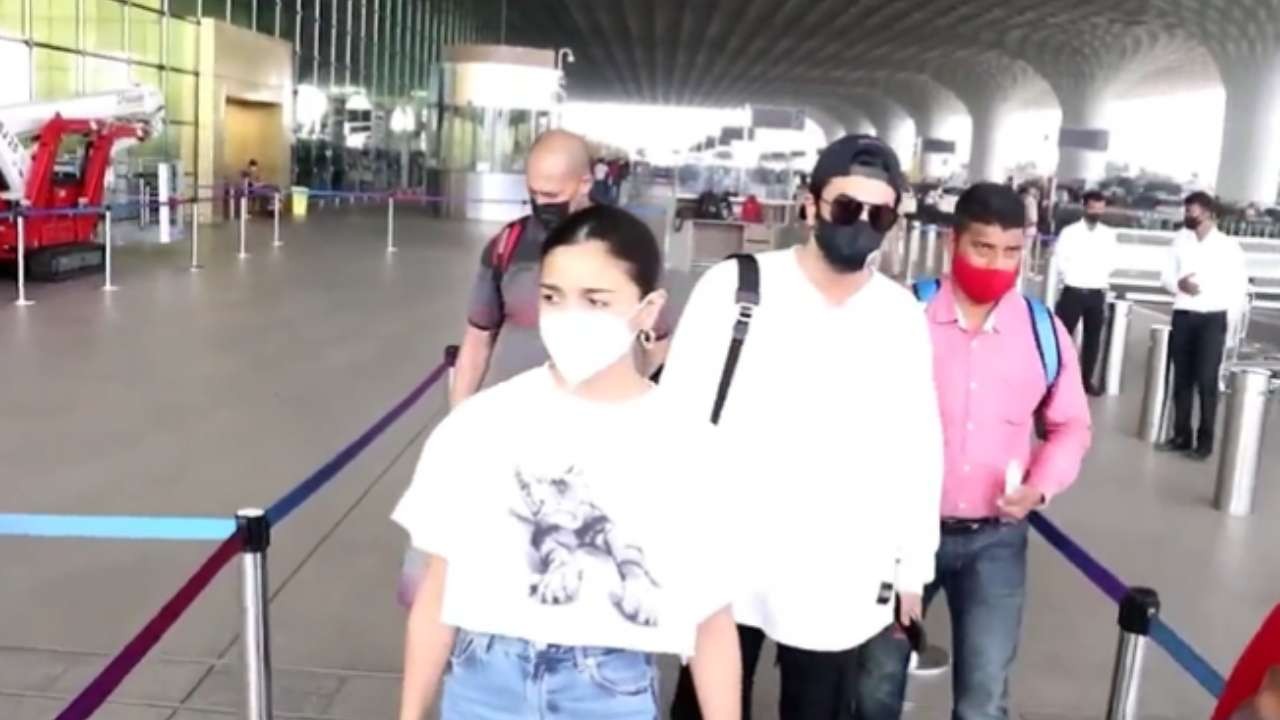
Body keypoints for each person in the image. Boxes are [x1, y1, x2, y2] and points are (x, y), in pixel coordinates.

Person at [394, 206, 742, 720]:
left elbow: (712, 622)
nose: (570, 316)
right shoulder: (482, 424)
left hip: (607, 691)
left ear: (649, 309)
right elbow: (438, 590)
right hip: (483, 685)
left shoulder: (688, 443)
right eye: (554, 297)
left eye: (596, 301)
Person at [662, 134, 943, 719]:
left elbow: (916, 449)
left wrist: (913, 569)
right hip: (728, 560)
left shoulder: (899, 317)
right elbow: (677, 423)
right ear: (812, 204)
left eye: (879, 214)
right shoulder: (738, 290)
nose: (861, 223)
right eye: (846, 208)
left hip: (838, 573)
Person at [866, 182, 1092, 720]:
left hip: (995, 540)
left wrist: (1039, 487)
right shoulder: (903, 316)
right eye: (983, 248)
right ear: (953, 242)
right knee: (874, 683)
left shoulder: (1042, 331)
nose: (998, 263)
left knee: (984, 695)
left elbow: (1071, 426)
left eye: (1012, 251)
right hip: (897, 539)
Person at [450, 132, 676, 408]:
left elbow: (657, 343)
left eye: (552, 194)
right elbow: (477, 338)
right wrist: (458, 415)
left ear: (584, 183)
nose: (541, 203)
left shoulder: (626, 245)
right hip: (514, 414)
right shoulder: (507, 245)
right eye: (533, 193)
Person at [1159, 191, 1250, 460]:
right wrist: (1178, 284)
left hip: (1212, 317)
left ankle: (1205, 441)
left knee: (1207, 381)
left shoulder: (1228, 246)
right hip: (1184, 314)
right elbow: (1164, 277)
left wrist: (1231, 327)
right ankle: (1181, 435)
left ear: (1208, 212)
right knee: (1182, 378)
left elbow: (1238, 286)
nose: (1188, 215)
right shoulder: (1179, 241)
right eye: (1186, 210)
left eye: (1193, 211)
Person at [1052, 190, 1118, 395]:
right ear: (1085, 206)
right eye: (1092, 207)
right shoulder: (1070, 232)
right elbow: (1061, 258)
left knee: (1093, 339)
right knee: (1061, 336)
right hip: (1073, 289)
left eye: (1100, 207)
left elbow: (1112, 261)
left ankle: (1085, 379)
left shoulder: (1108, 234)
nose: (1096, 211)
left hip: (1097, 291)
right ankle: (1055, 378)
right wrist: (1073, 273)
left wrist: (1099, 275)